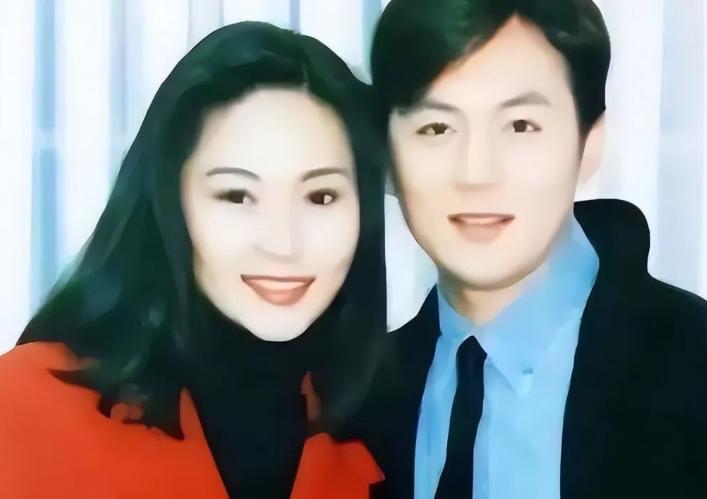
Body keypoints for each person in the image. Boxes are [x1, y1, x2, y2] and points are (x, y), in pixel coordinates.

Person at [0, 22, 386, 499]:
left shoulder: (379, 425)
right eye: (236, 195)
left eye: (321, 196)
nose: (283, 243)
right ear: (170, 202)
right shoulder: (25, 407)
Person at [357, 1, 707, 498]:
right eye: (436, 128)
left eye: (520, 126)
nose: (476, 173)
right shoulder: (356, 397)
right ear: (387, 155)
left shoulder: (692, 368)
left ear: (590, 142)